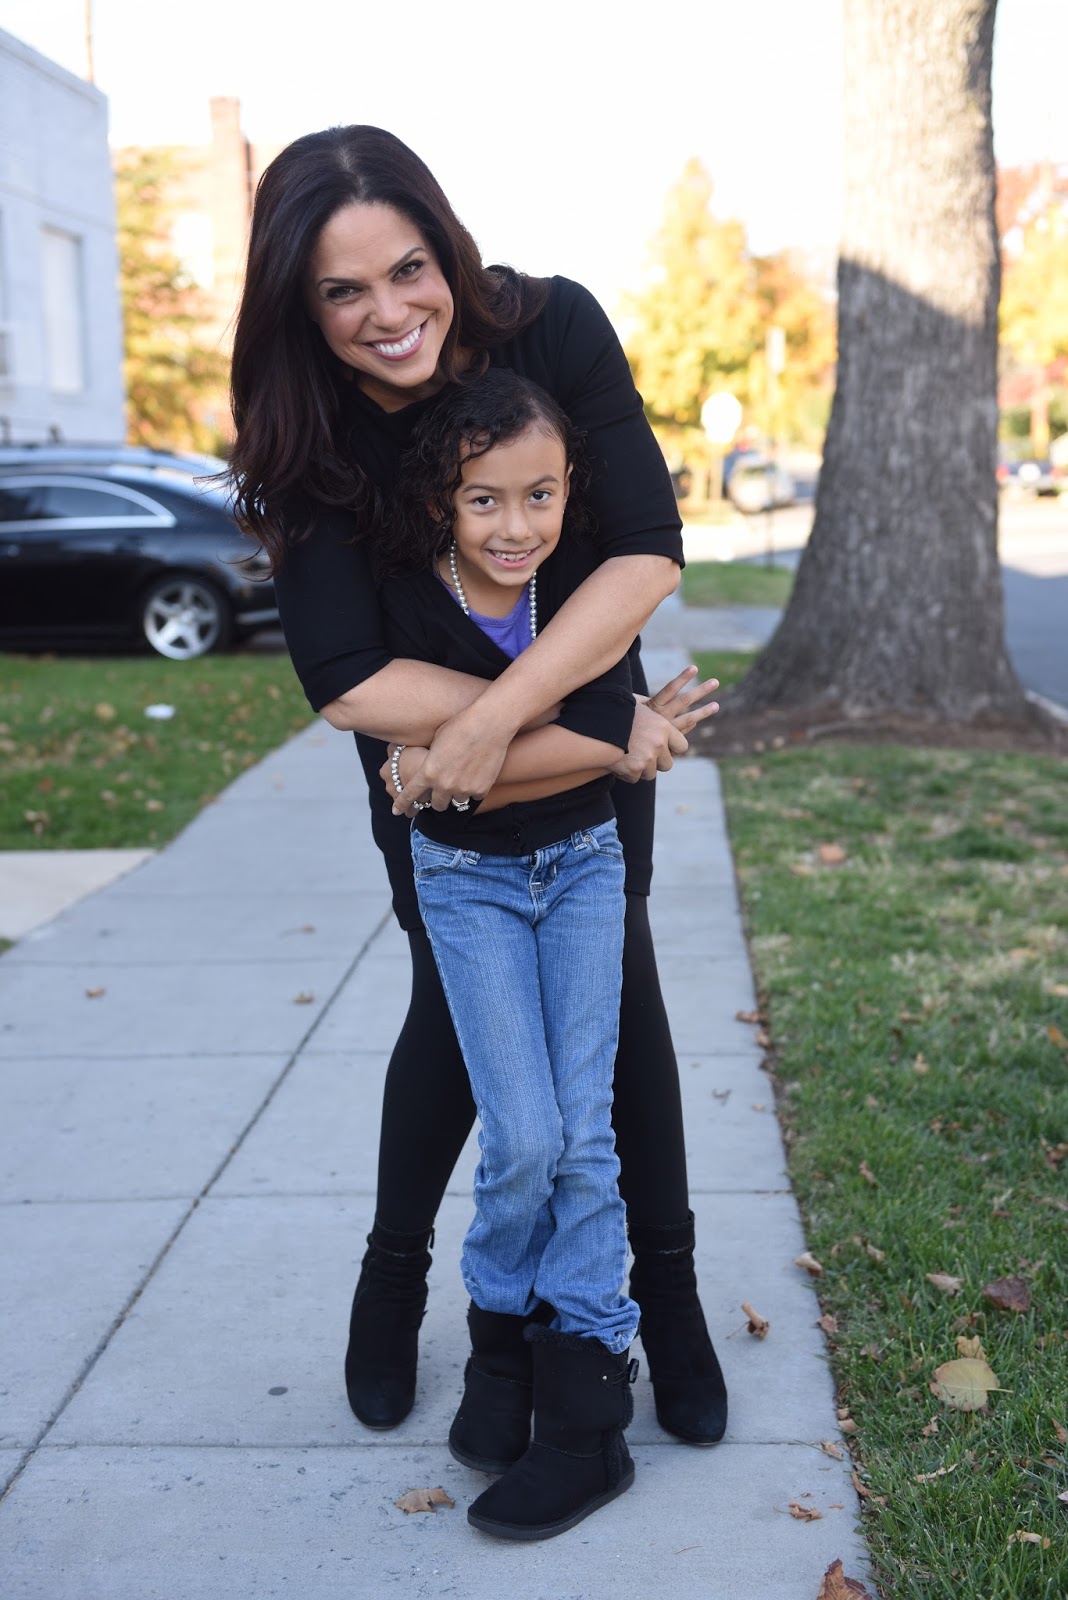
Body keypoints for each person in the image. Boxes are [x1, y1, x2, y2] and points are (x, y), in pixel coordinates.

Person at [227, 124, 729, 1452]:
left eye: (407, 269)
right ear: (301, 305)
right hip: (434, 756)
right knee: (456, 1011)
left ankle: (662, 1305)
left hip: (547, 721)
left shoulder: (552, 331)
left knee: (614, 998)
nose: (388, 312)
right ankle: (393, 1286)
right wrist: (593, 728)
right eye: (344, 291)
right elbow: (345, 674)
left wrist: (516, 720)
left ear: (442, 247)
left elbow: (642, 555)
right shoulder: (306, 430)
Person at [374, 370, 718, 1539]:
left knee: (582, 1135)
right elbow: (523, 755)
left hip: (580, 870)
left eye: (542, 495)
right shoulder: (409, 609)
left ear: (573, 491)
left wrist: (593, 740)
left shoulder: (580, 596)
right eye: (485, 501)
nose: (517, 528)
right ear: (441, 503)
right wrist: (592, 737)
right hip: (465, 890)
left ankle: (581, 1407)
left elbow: (548, 749)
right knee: (522, 1132)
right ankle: (496, 1342)